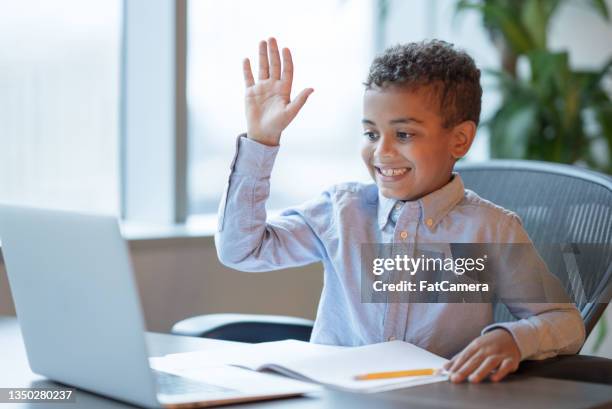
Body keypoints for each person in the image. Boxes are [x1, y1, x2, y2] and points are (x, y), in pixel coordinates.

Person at [215, 37, 585, 383]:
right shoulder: (340, 212)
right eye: (371, 134)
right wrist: (261, 142)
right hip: (336, 397)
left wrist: (514, 338)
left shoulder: (492, 229)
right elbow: (241, 250)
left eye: (403, 135)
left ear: (460, 139)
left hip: (437, 400)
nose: (381, 152)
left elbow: (564, 321)